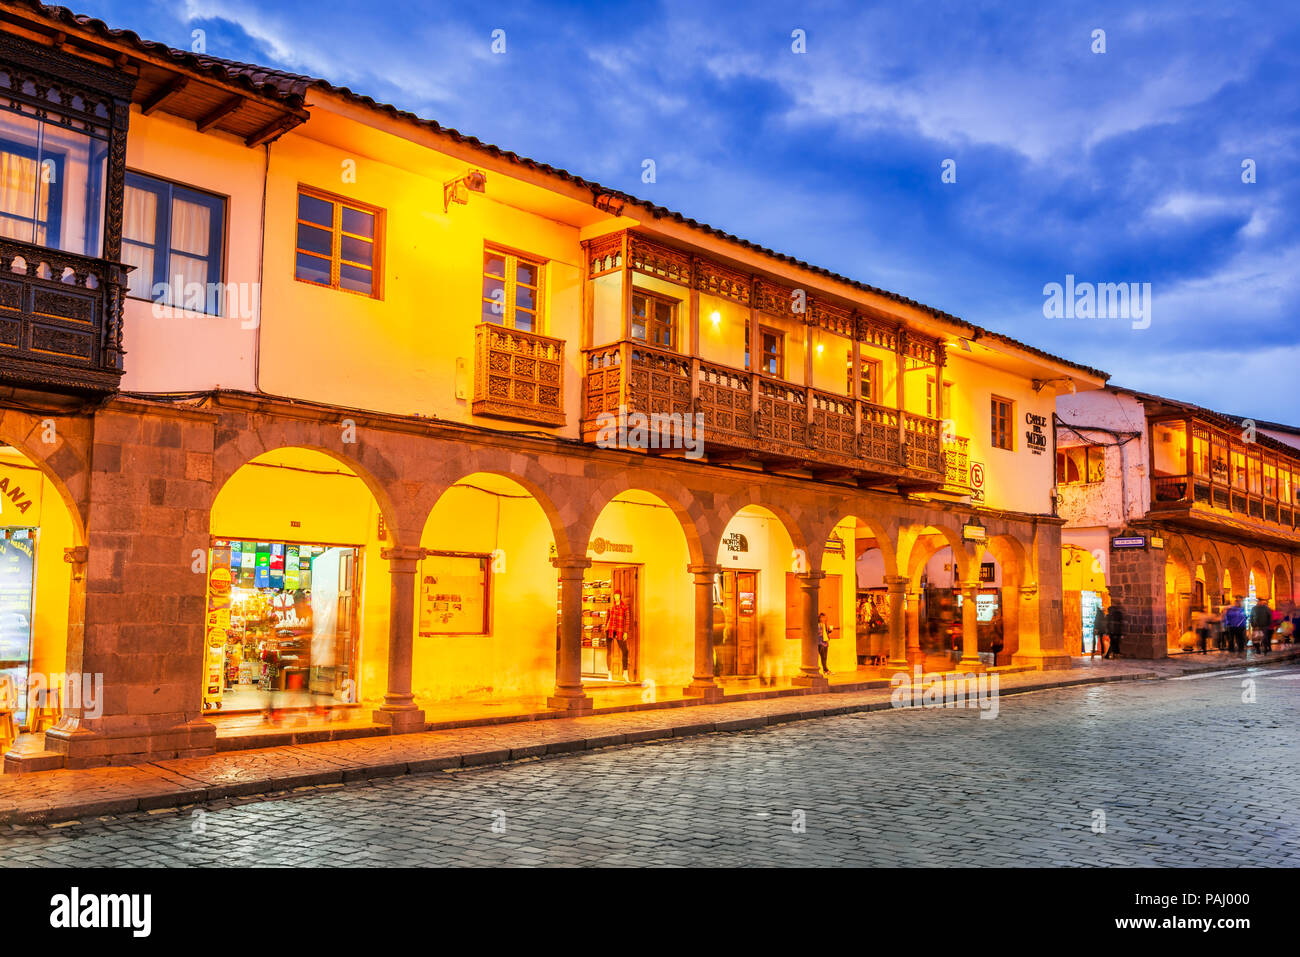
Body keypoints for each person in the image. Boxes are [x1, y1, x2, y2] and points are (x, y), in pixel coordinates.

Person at [605, 590, 632, 682]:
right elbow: (607, 618)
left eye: (617, 595)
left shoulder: (624, 607)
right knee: (609, 651)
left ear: (620, 596)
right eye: (615, 595)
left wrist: (626, 632)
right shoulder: (610, 606)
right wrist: (605, 627)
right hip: (610, 629)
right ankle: (609, 674)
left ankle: (625, 673)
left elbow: (627, 619)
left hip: (620, 630)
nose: (616, 597)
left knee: (625, 651)